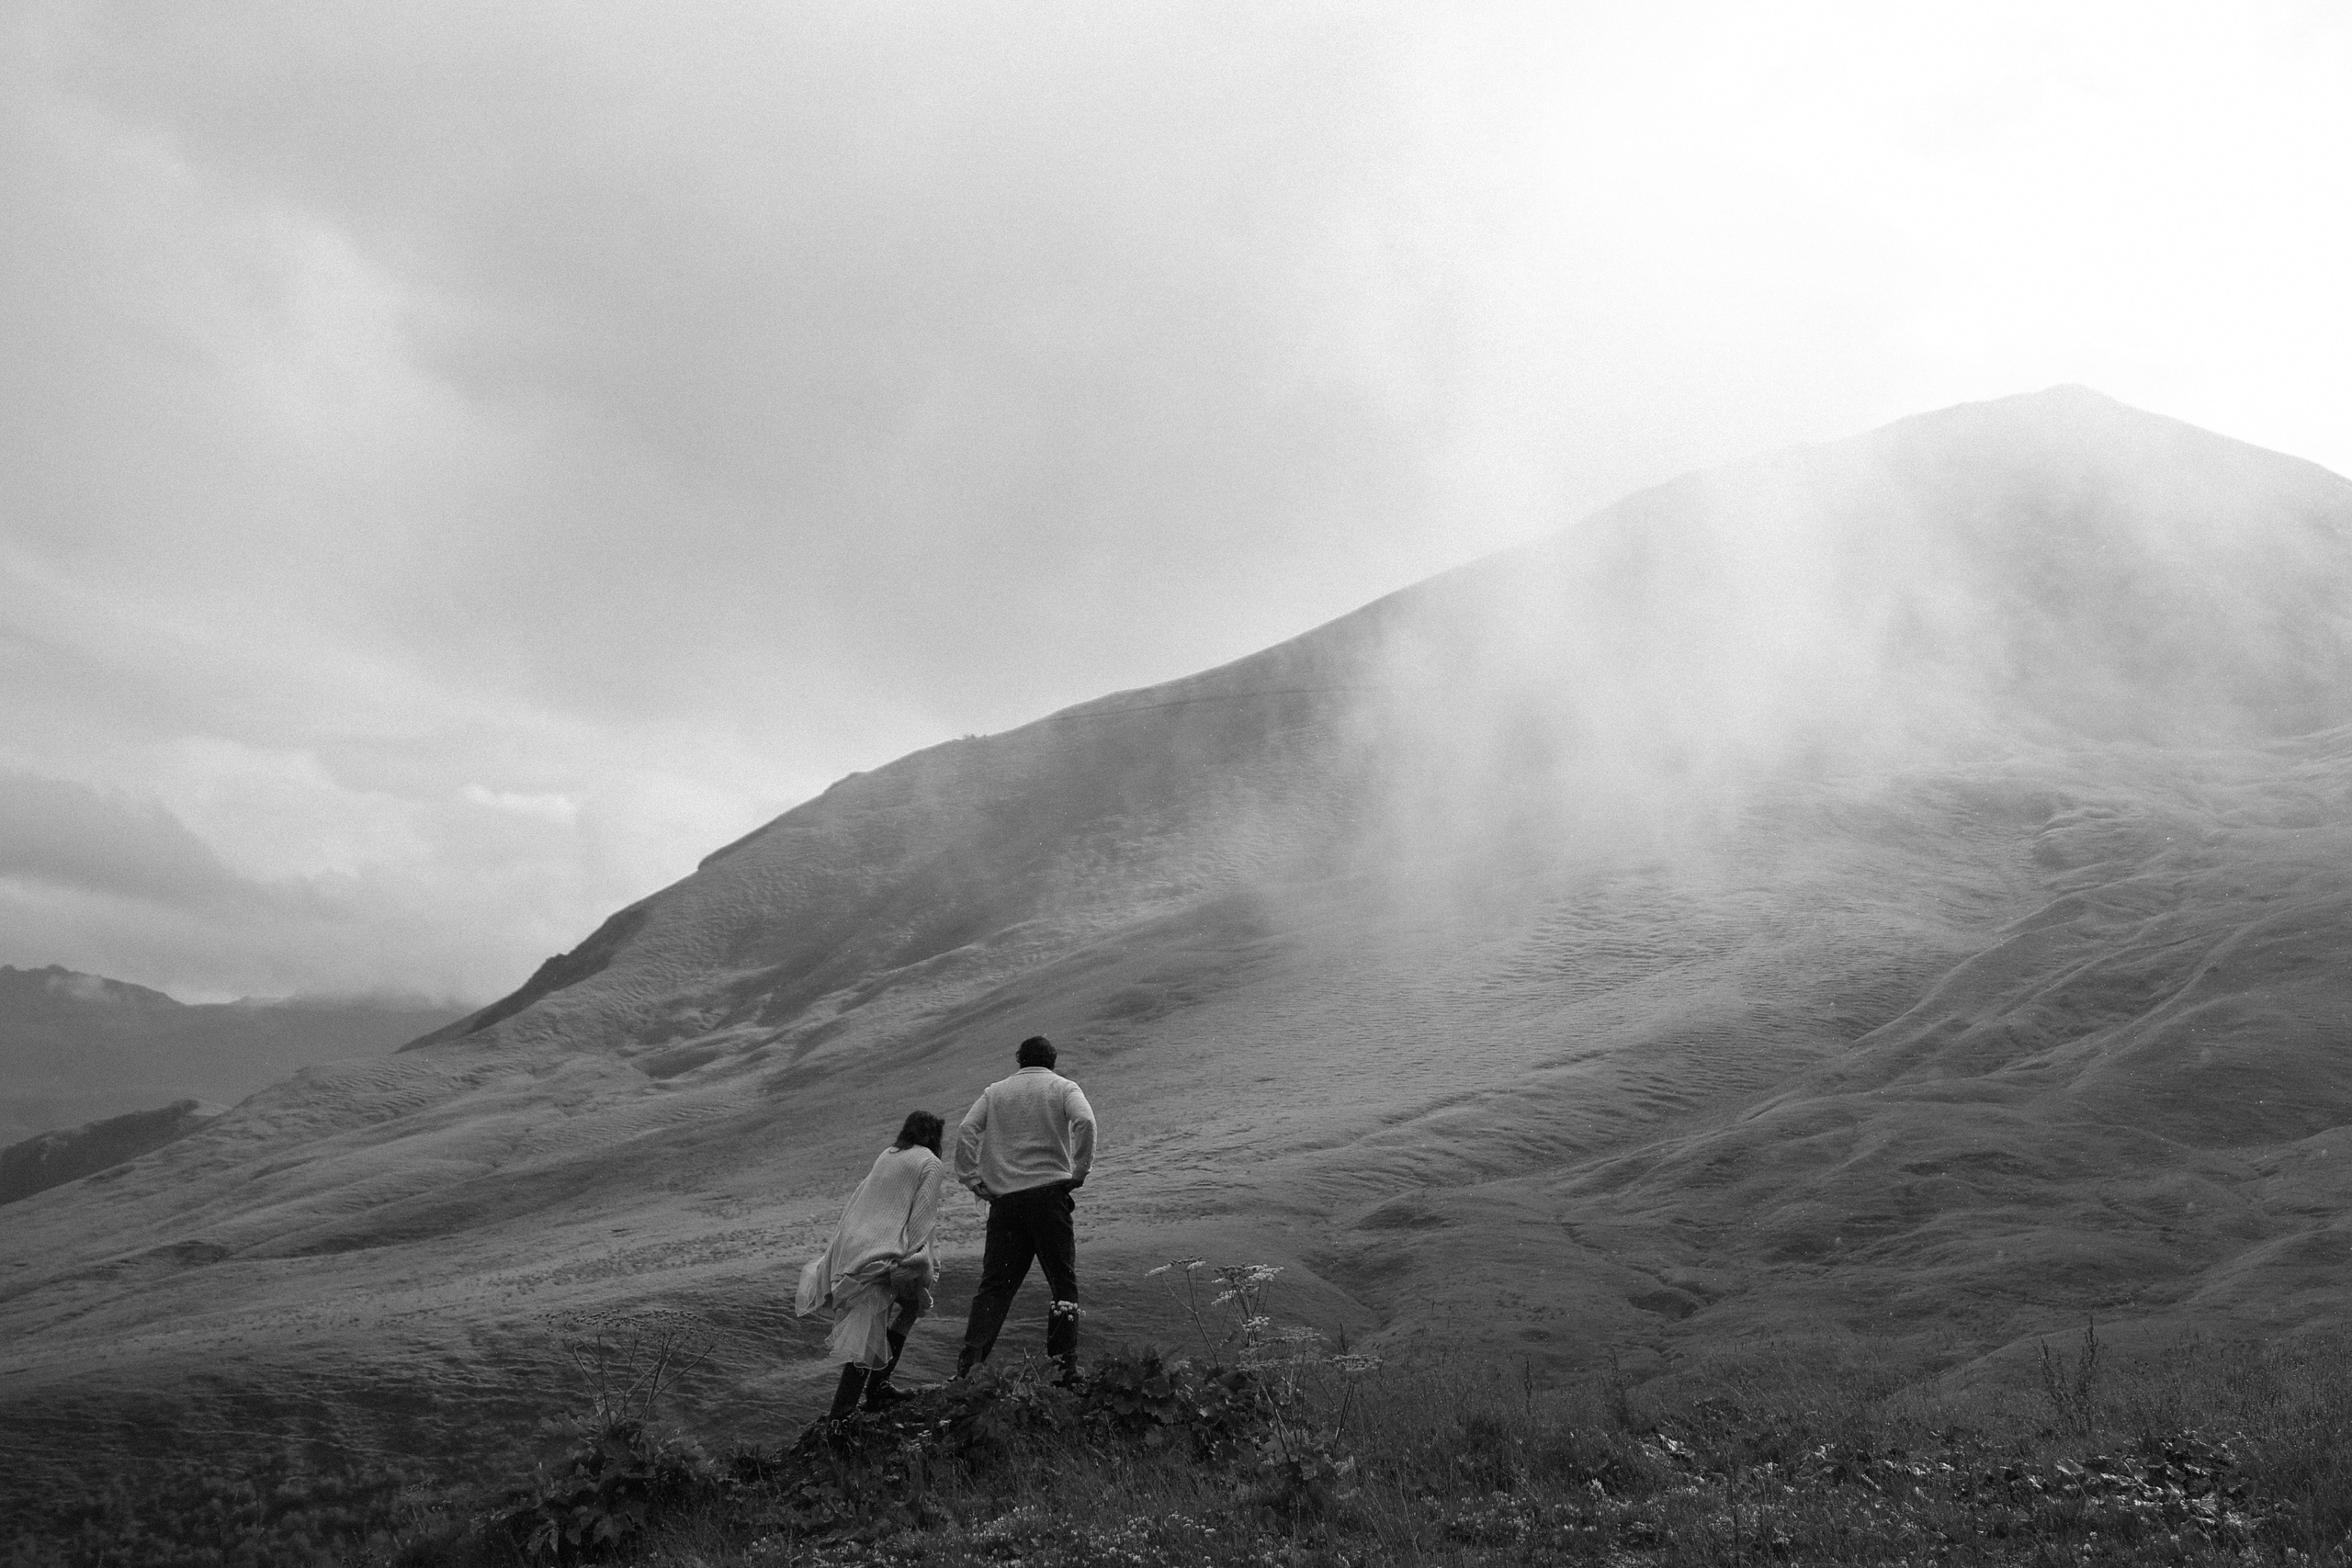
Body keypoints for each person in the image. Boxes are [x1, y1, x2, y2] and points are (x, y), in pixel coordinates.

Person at [953, 1035, 1097, 1380]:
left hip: (1005, 1203)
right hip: (1049, 1198)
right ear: (1052, 1061)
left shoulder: (995, 1092)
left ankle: (969, 1369)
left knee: (994, 1287)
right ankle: (1063, 1367)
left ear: (1019, 1060)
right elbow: (1085, 1122)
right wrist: (1079, 1172)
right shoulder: (1063, 1087)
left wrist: (971, 1179)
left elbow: (967, 1129)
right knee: (1062, 1283)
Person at [795, 1111, 945, 1419]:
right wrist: (917, 1263)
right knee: (867, 1333)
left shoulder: (888, 1155)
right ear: (934, 1137)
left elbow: (859, 1201)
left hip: (857, 1249)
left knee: (906, 1307)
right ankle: (841, 1419)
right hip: (882, 1255)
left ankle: (877, 1388)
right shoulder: (930, 1162)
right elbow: (922, 1219)